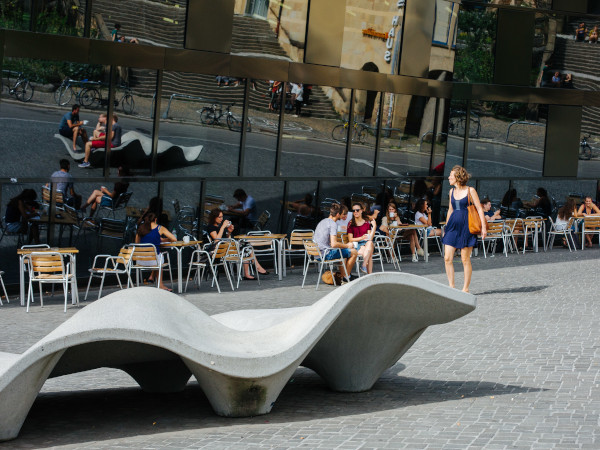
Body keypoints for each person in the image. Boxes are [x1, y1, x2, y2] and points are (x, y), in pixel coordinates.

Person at [442, 165, 486, 293]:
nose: (449, 177)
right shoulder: (451, 192)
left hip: (467, 227)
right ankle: (451, 286)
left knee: (465, 258)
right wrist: (446, 226)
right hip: (452, 227)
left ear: (457, 177)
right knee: (447, 258)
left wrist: (483, 228)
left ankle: (465, 288)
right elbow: (450, 210)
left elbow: (479, 208)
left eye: (451, 175)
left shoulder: (470, 191)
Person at [205, 208, 269, 280]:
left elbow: (227, 239)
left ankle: (250, 272)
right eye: (219, 217)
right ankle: (253, 269)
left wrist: (229, 232)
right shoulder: (211, 227)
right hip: (220, 252)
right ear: (214, 217)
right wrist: (223, 227)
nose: (221, 219)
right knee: (246, 247)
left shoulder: (219, 227)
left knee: (246, 246)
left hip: (226, 248)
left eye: (222, 217)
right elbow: (217, 240)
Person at [313, 203, 358, 283]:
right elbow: (333, 244)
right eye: (341, 214)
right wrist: (347, 245)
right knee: (354, 252)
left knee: (343, 253)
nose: (342, 216)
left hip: (317, 254)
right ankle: (346, 277)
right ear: (337, 214)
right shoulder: (333, 224)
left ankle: (345, 277)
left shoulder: (322, 222)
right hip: (325, 254)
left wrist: (342, 246)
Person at [135, 211, 176, 291]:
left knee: (156, 258)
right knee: (159, 257)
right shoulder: (160, 228)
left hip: (140, 261)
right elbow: (174, 238)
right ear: (155, 220)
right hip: (154, 261)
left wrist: (158, 240)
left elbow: (137, 243)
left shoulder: (141, 229)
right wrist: (166, 239)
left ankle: (151, 276)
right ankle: (160, 285)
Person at [346, 202, 377, 274]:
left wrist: (374, 227)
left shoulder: (366, 223)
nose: (355, 212)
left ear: (361, 211)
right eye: (353, 210)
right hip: (357, 245)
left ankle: (363, 265)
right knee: (369, 254)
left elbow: (370, 238)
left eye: (357, 210)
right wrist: (361, 238)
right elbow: (350, 239)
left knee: (369, 243)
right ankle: (368, 274)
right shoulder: (351, 223)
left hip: (366, 244)